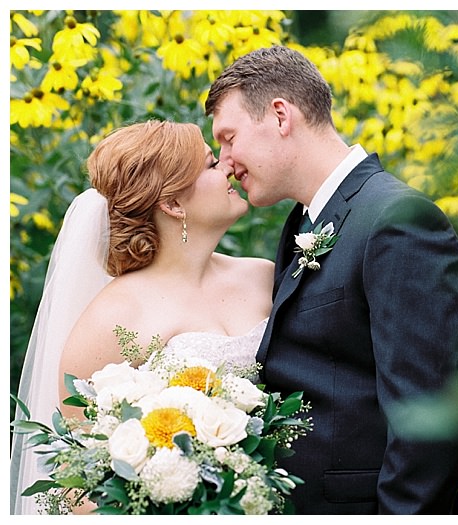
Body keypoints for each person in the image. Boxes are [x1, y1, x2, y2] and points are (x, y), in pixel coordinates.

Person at [205, 45, 458, 515]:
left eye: (229, 137)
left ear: (280, 116)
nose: (225, 161)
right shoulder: (300, 225)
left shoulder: (398, 221)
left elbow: (428, 419)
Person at [10, 120, 274, 514]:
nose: (227, 165)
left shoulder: (264, 276)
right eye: (208, 165)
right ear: (173, 204)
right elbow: (76, 474)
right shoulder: (112, 318)